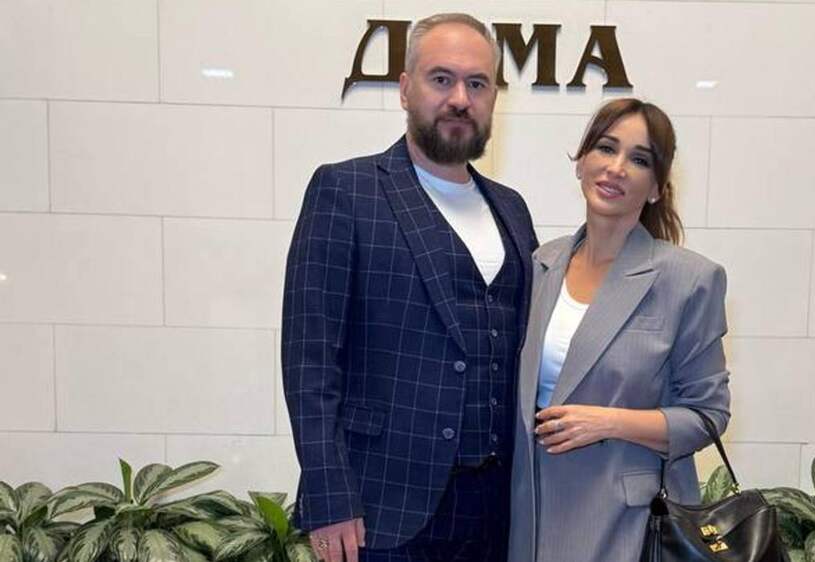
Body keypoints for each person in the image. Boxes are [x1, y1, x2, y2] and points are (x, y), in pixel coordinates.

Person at [282, 13, 537, 562]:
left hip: (494, 510)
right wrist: (328, 495)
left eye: (477, 84)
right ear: (404, 89)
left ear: (494, 98)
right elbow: (309, 360)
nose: (460, 99)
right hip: (379, 507)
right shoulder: (346, 191)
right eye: (441, 79)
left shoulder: (512, 210)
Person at [507, 98, 732, 562]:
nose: (617, 168)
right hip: (530, 515)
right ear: (581, 162)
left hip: (625, 525)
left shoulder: (689, 280)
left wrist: (608, 421)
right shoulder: (540, 264)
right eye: (606, 148)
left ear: (656, 188)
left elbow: (708, 415)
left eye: (639, 159)